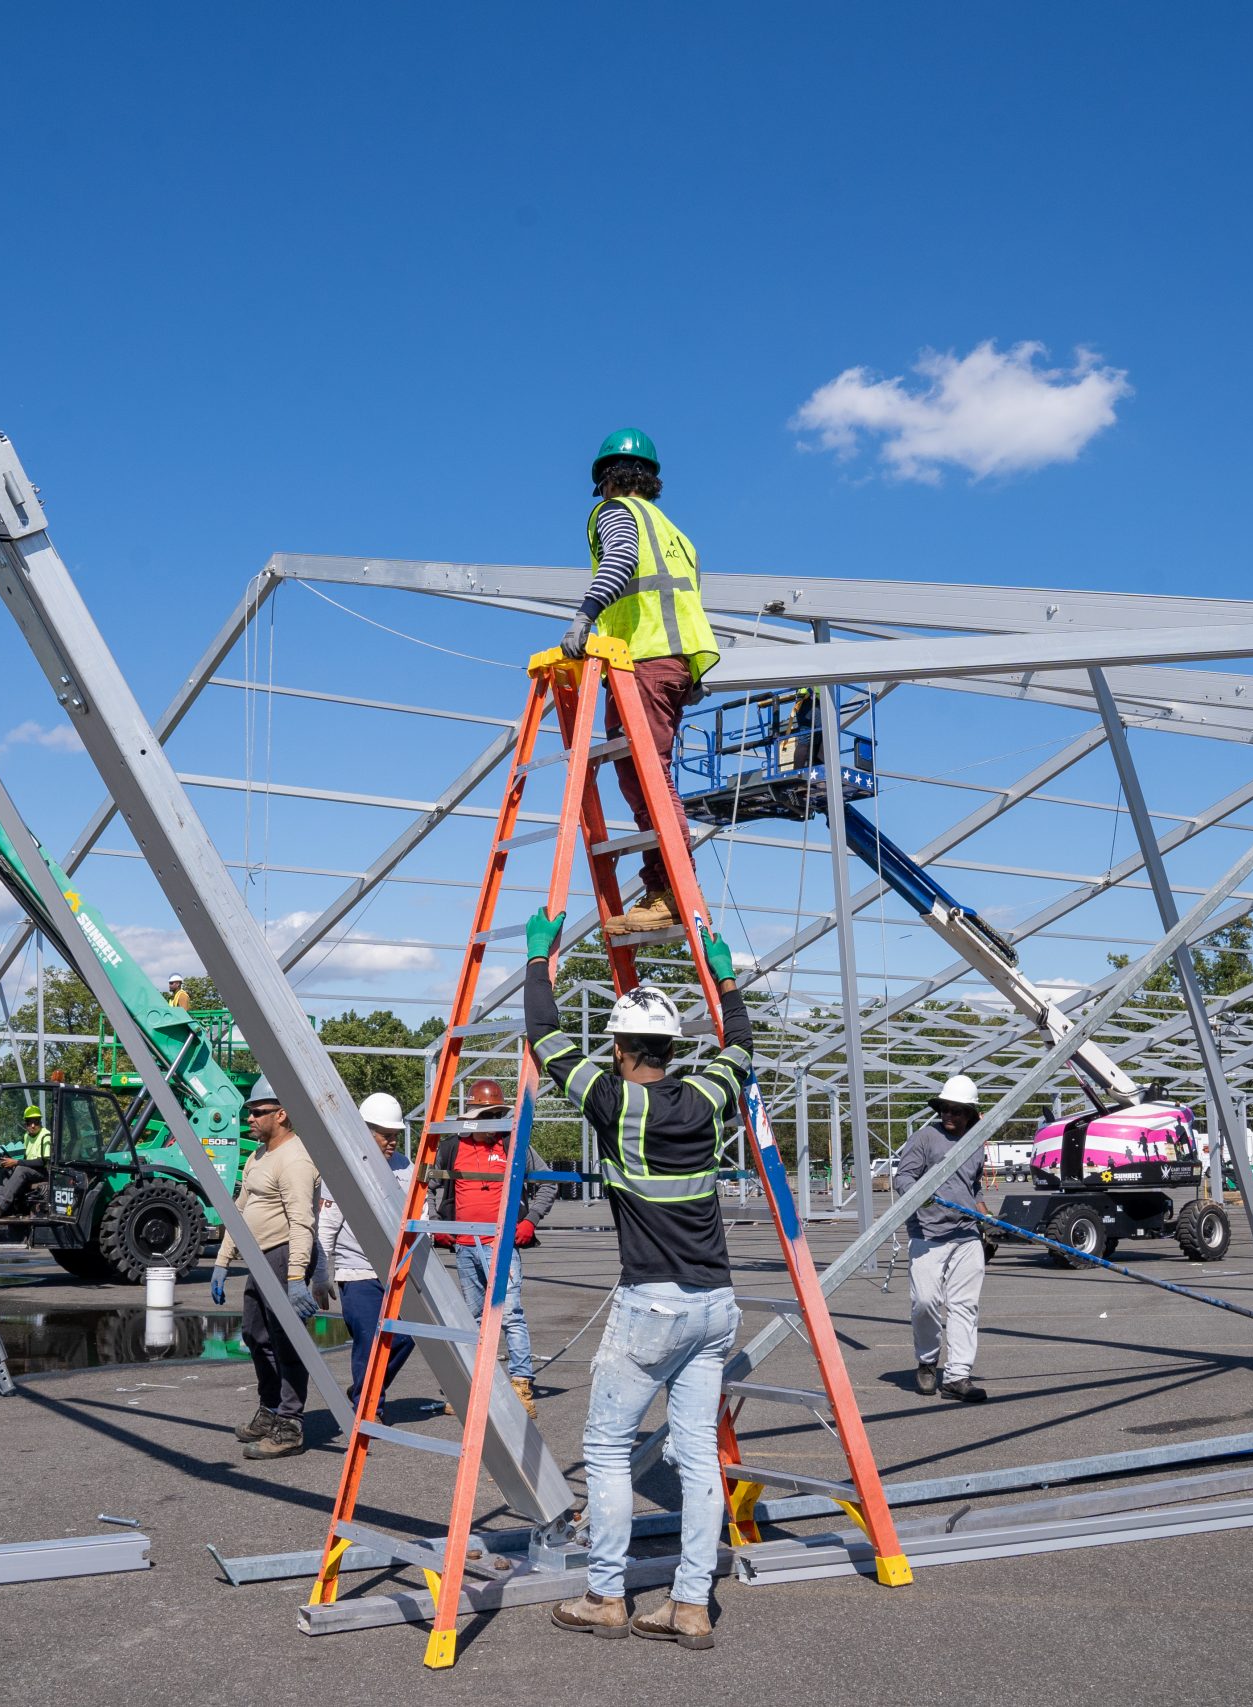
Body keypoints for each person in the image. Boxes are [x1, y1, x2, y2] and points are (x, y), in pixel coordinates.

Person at [527, 906, 749, 1652]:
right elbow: (741, 1046)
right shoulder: (710, 1097)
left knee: (608, 1449)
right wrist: (725, 978)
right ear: (673, 1046)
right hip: (715, 1303)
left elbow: (545, 1037)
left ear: (621, 1048)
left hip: (651, 1303)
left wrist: (538, 961)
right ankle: (690, 1605)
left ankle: (605, 1595)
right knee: (698, 1454)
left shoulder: (615, 1101)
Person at [556, 430, 722, 938]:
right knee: (649, 773)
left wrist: (584, 615)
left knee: (645, 777)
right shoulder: (676, 535)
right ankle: (665, 886)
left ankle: (670, 890)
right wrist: (689, 669)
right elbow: (683, 601)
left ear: (606, 480)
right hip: (672, 664)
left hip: (643, 661)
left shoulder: (614, 512)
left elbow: (621, 560)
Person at [212, 1072, 322, 1458]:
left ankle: (290, 1425)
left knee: (286, 1342)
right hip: (260, 1260)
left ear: (282, 1114)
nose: (250, 1118)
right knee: (254, 1335)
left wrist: (297, 1277)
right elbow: (240, 1211)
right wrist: (222, 1261)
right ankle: (270, 1408)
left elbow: (302, 1223)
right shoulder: (258, 1156)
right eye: (250, 1112)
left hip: (283, 1256)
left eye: (258, 1112)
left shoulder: (295, 1160)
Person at [439, 1077, 538, 1417]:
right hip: (466, 1246)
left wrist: (529, 1221)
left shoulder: (513, 1146)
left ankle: (521, 1385)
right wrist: (440, 1223)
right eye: (486, 1115)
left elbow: (548, 1183)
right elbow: (431, 1186)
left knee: (510, 1314)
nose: (492, 1121)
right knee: (474, 1319)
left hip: (500, 1245)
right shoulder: (452, 1148)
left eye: (496, 1115)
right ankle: (476, 1388)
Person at [895, 1074, 989, 1403]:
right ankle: (927, 1362)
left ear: (970, 1113)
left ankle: (957, 1376)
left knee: (965, 1305)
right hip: (928, 1232)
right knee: (925, 1302)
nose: (948, 1114)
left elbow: (973, 1186)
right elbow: (903, 1177)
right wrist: (918, 1195)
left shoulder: (976, 1142)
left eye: (956, 1110)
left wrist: (985, 1218)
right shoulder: (925, 1138)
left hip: (966, 1232)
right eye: (944, 1108)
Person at [320, 1091, 416, 1408]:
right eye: (386, 1135)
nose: (393, 1142)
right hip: (357, 1271)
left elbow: (420, 1214)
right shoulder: (344, 1167)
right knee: (369, 1340)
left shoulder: (406, 1168)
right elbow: (327, 1224)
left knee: (404, 1337)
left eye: (395, 1135)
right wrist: (321, 1274)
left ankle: (365, 1391)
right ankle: (368, 1406)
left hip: (397, 1271)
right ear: (366, 1131)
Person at [0, 1103, 49, 1215]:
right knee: (4, 1170)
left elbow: (41, 1162)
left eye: (36, 1122)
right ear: (26, 1123)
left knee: (20, 1170)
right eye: (30, 1122)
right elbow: (26, 1157)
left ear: (40, 1122)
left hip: (42, 1172)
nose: (33, 1125)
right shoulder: (27, 1136)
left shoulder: (45, 1135)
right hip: (31, 1170)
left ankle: (0, 1205)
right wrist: (10, 1163)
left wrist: (16, 1162)